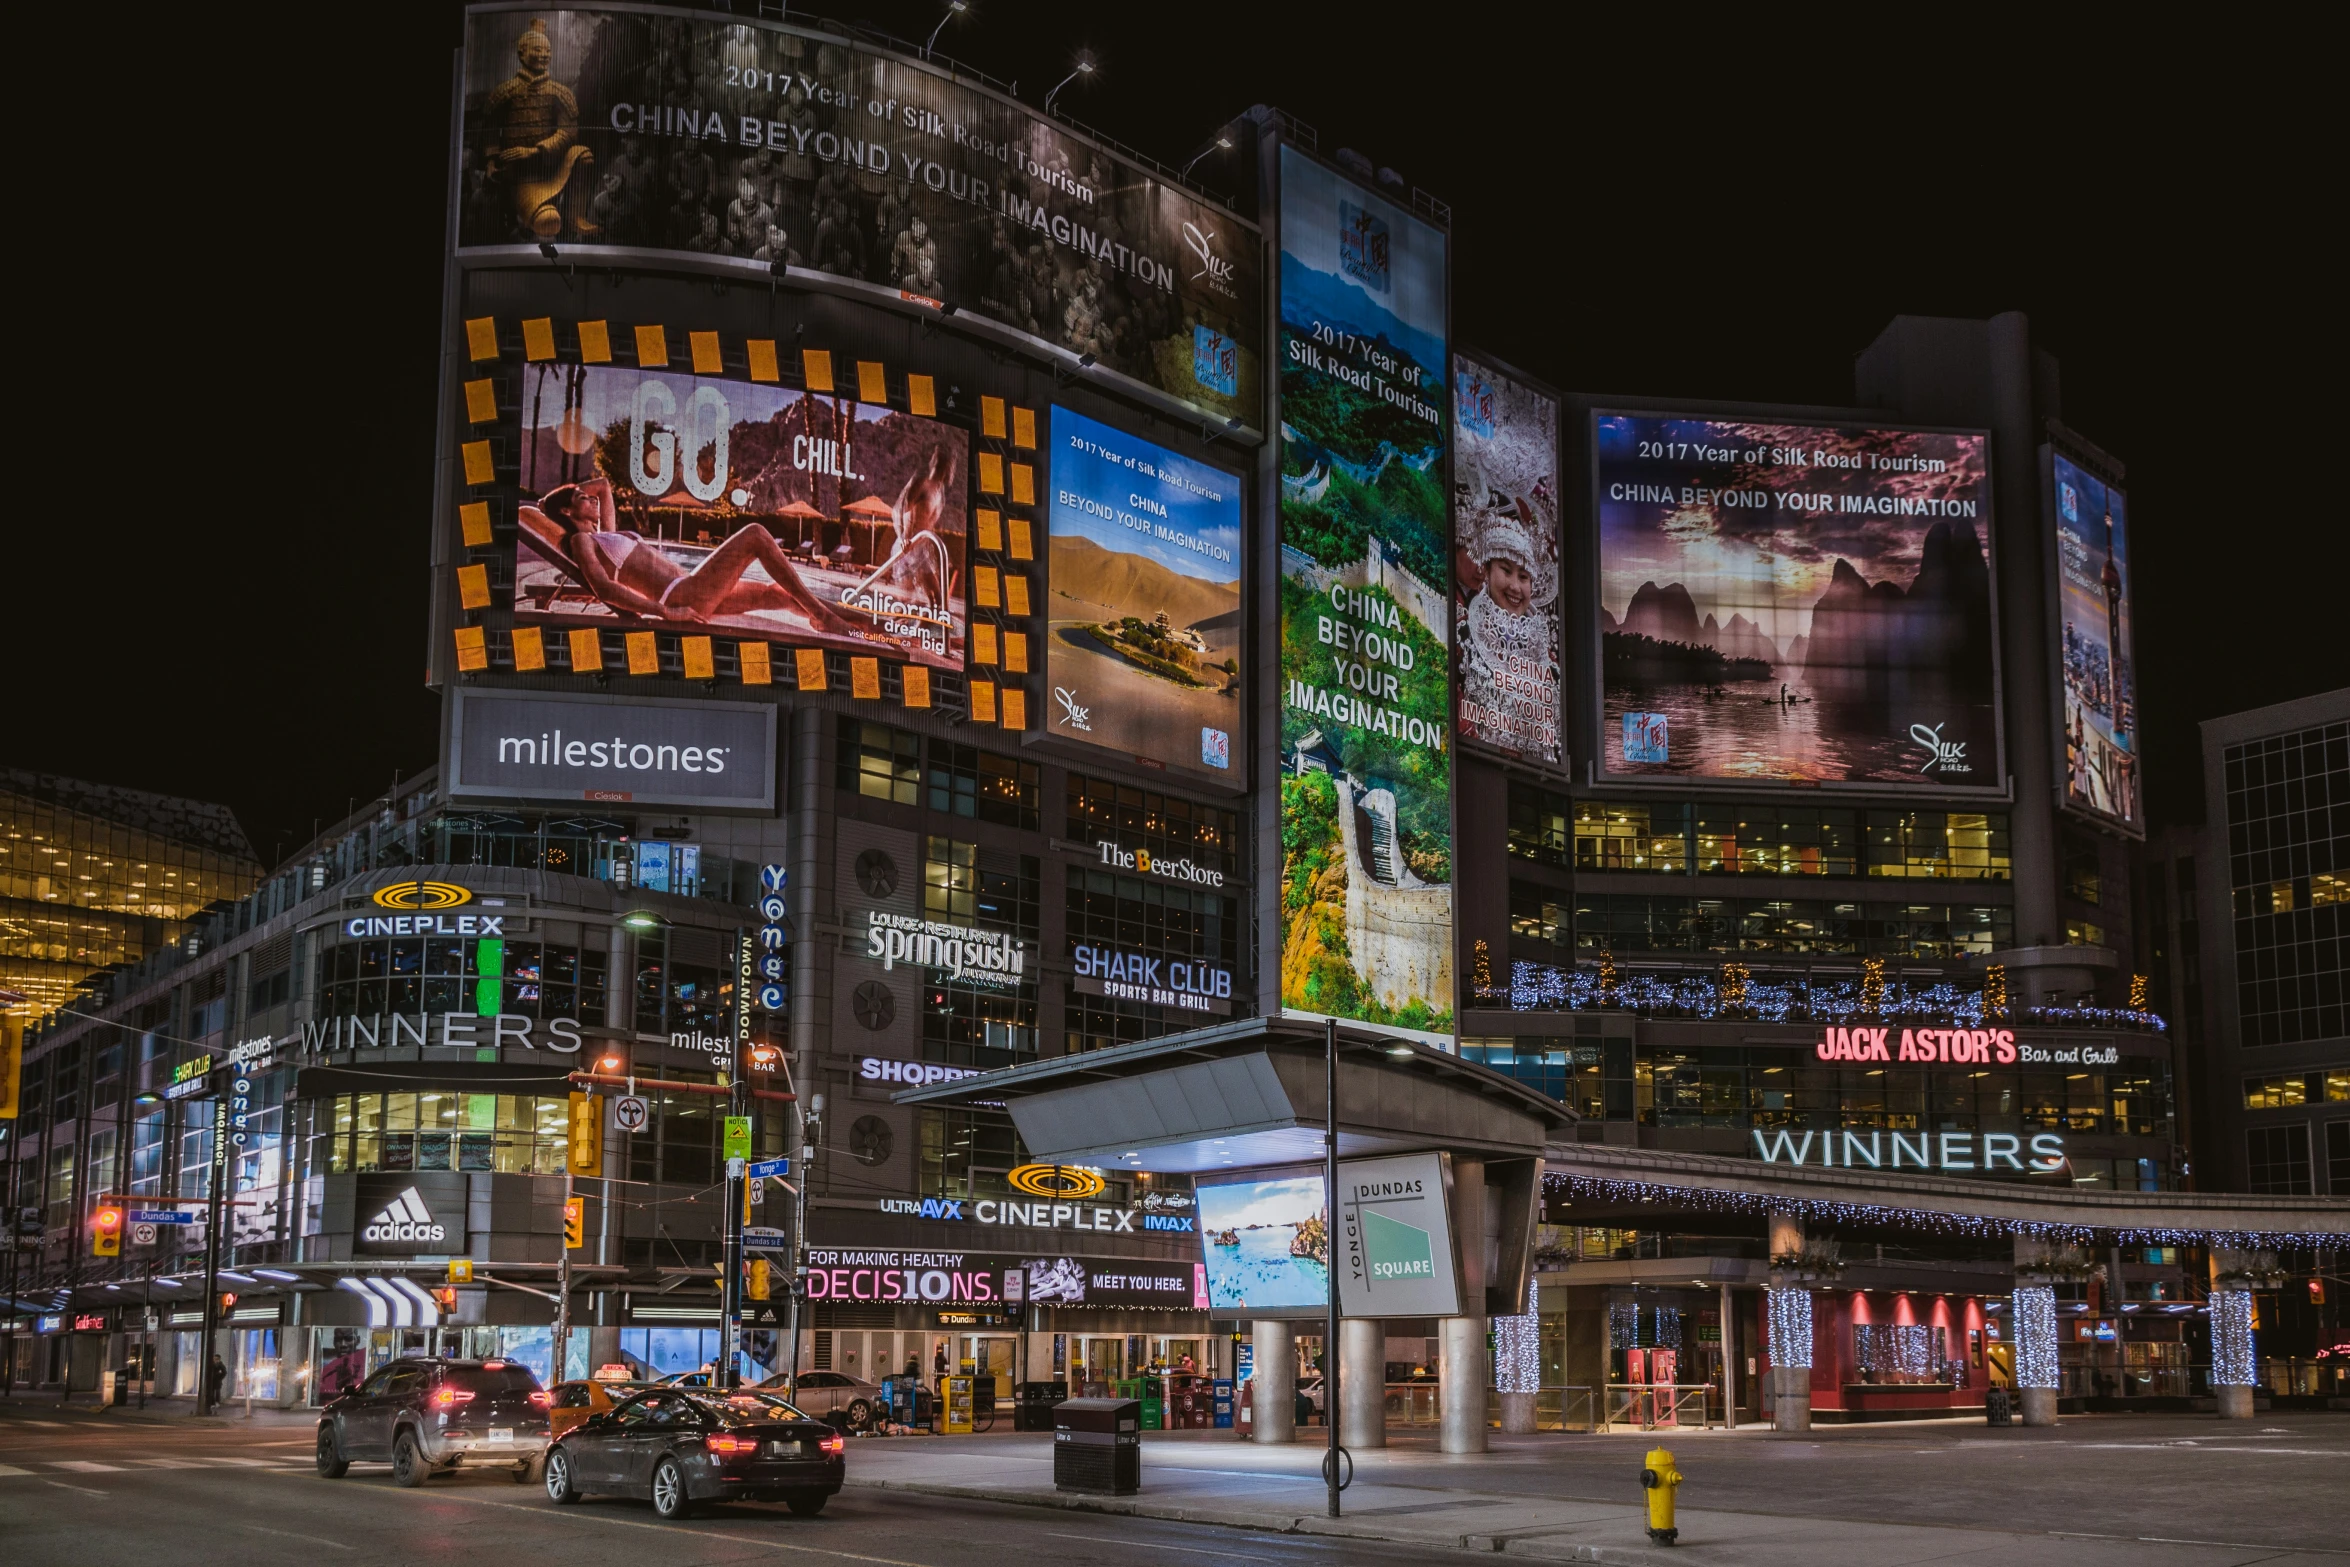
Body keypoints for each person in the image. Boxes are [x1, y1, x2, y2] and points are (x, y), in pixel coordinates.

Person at [517, 476, 873, 639]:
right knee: (755, 535)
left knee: (775, 595)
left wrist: (573, 497)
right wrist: (664, 611)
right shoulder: (581, 541)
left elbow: (604, 485)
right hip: (682, 596)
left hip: (692, 589)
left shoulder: (603, 534)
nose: (592, 499)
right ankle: (822, 615)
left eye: (588, 497)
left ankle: (870, 628)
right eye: (582, 499)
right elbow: (603, 589)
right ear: (567, 511)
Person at [477, 16, 597, 240]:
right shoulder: (506, 92)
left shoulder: (558, 92)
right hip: (520, 178)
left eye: (547, 50)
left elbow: (568, 132)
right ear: (522, 53)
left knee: (583, 155)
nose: (544, 55)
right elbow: (489, 130)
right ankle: (537, 216)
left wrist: (535, 150)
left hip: (549, 169)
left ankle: (574, 216)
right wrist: (492, 161)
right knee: (547, 222)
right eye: (538, 49)